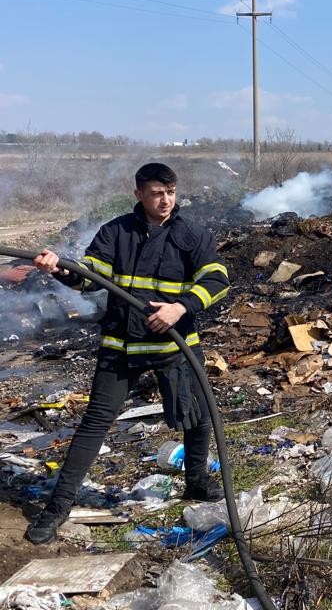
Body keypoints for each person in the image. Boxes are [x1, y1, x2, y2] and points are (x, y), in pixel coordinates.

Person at [26, 162, 230, 545]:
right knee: (94, 424)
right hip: (120, 346)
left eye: (170, 191)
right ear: (139, 194)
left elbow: (217, 280)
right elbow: (89, 277)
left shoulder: (192, 234)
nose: (165, 199)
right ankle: (57, 509)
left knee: (199, 416)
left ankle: (197, 482)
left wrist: (181, 307)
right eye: (156, 192)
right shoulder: (116, 232)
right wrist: (59, 269)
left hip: (175, 344)